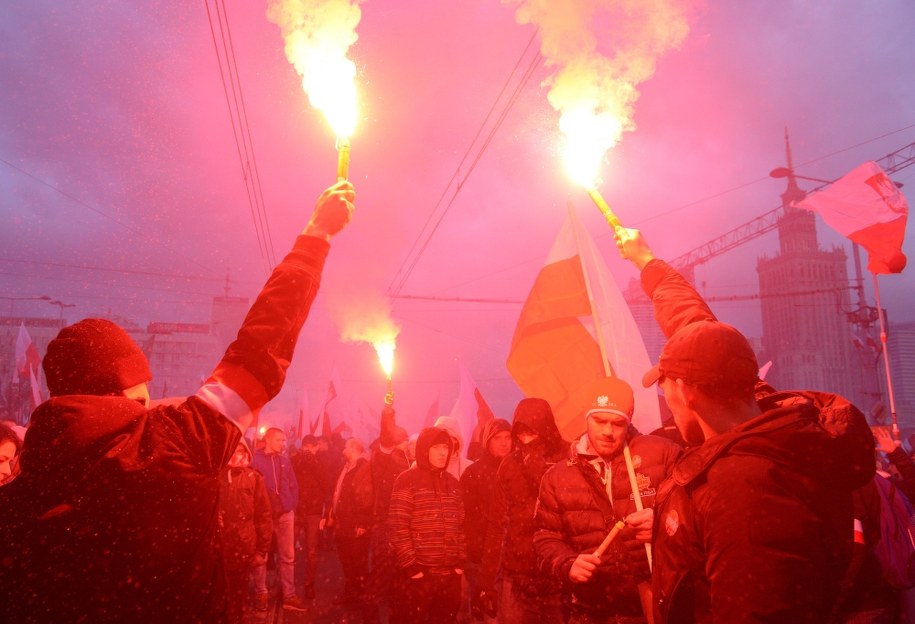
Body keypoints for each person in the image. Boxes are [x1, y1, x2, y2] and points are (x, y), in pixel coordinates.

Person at [0, 180, 354, 623]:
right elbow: (260, 351)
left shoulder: (14, 502)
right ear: (127, 386)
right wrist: (314, 238)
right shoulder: (179, 443)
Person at [615, 226, 876, 623]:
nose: (663, 394)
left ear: (686, 391)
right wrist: (647, 262)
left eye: (664, 383)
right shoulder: (769, 425)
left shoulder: (744, 489)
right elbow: (695, 327)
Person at [533, 376, 680, 623]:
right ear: (586, 418)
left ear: (629, 421)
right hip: (592, 610)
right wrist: (566, 563)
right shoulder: (557, 477)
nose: (608, 432)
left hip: (653, 607)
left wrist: (664, 523)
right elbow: (545, 537)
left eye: (617, 423)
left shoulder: (663, 455)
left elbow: (696, 517)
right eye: (599, 421)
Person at [477, 398, 567, 624]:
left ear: (545, 430)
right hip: (517, 575)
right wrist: (487, 582)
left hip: (559, 573)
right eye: (521, 434)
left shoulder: (566, 460)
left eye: (533, 433)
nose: (526, 440)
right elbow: (497, 524)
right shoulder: (509, 465)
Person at [389, 426, 467, 623]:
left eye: (446, 447)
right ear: (424, 449)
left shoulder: (453, 483)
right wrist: (412, 568)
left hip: (449, 576)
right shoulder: (407, 480)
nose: (443, 453)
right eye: (437, 447)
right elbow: (398, 526)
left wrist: (460, 562)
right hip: (419, 575)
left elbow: (461, 525)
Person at [363, 392, 412, 623]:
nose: (410, 445)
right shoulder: (385, 459)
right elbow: (385, 439)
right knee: (381, 579)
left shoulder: (408, 462)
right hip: (386, 527)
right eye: (406, 441)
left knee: (399, 583)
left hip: (403, 528)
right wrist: (388, 413)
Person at [459, 417, 511, 622]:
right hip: (482, 556)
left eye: (508, 437)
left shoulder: (518, 470)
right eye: (498, 438)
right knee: (487, 612)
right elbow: (466, 518)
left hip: (512, 557)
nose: (504, 442)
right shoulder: (474, 473)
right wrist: (474, 552)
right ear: (487, 441)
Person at [251, 427, 307, 612]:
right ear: (267, 440)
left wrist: (289, 504)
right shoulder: (255, 460)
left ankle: (289, 595)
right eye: (278, 440)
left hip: (285, 514)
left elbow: (294, 485)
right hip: (264, 516)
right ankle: (261, 593)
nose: (283, 443)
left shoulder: (285, 460)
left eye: (284, 440)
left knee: (288, 557)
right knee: (262, 555)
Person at [218, 440, 273, 624]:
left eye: (241, 450)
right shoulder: (217, 476)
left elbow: (263, 515)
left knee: (238, 591)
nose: (237, 454)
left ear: (247, 453)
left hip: (243, 544)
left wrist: (261, 550)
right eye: (233, 450)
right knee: (220, 591)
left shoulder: (254, 478)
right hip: (220, 544)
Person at [324, 437, 374, 605]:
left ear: (353, 449)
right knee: (347, 562)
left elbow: (367, 498)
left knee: (357, 564)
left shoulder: (363, 468)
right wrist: (333, 512)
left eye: (346, 447)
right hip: (344, 524)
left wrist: (363, 522)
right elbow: (338, 493)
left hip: (354, 526)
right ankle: (352, 594)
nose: (343, 450)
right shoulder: (347, 467)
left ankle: (361, 598)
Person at [291, 433, 328, 600]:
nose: (307, 451)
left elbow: (326, 483)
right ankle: (287, 585)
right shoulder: (296, 460)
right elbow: (290, 476)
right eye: (305, 448)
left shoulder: (322, 462)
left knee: (311, 551)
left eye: (310, 448)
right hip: (296, 509)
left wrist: (312, 462)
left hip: (313, 511)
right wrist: (300, 459)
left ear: (316, 448)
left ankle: (309, 585)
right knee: (288, 550)